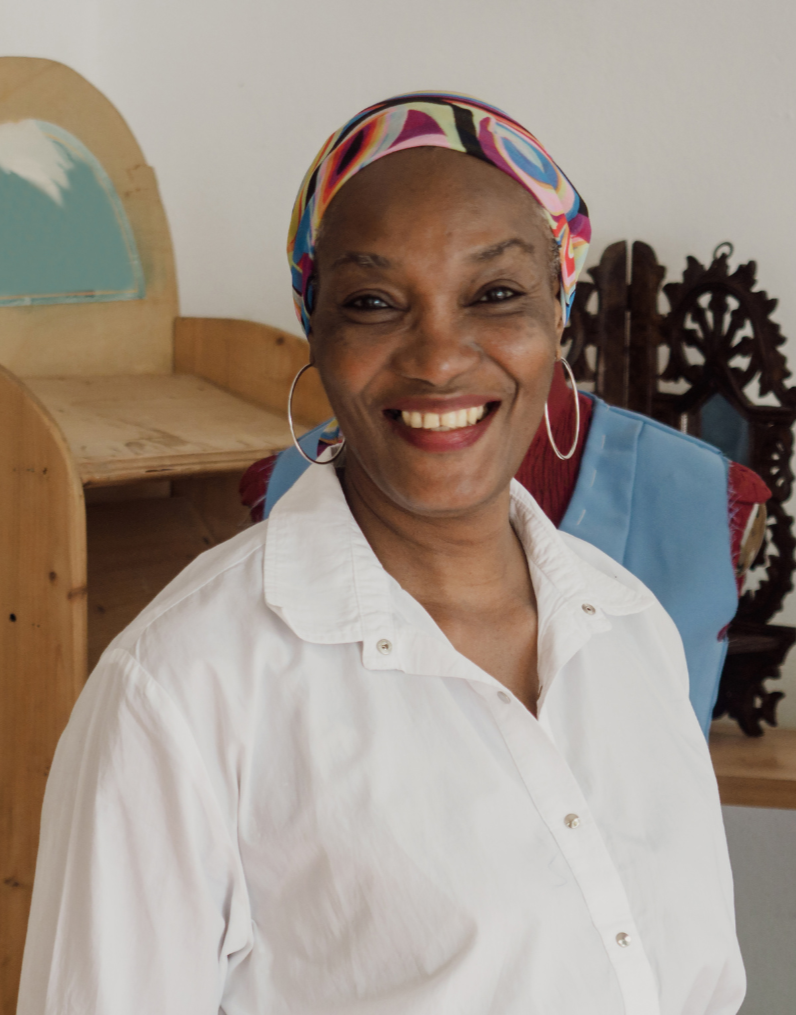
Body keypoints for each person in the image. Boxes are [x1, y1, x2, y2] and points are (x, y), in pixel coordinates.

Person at [19, 93, 745, 1014]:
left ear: (557, 318)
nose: (440, 357)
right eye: (373, 301)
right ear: (314, 333)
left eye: (494, 295)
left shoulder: (632, 629)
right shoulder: (179, 690)